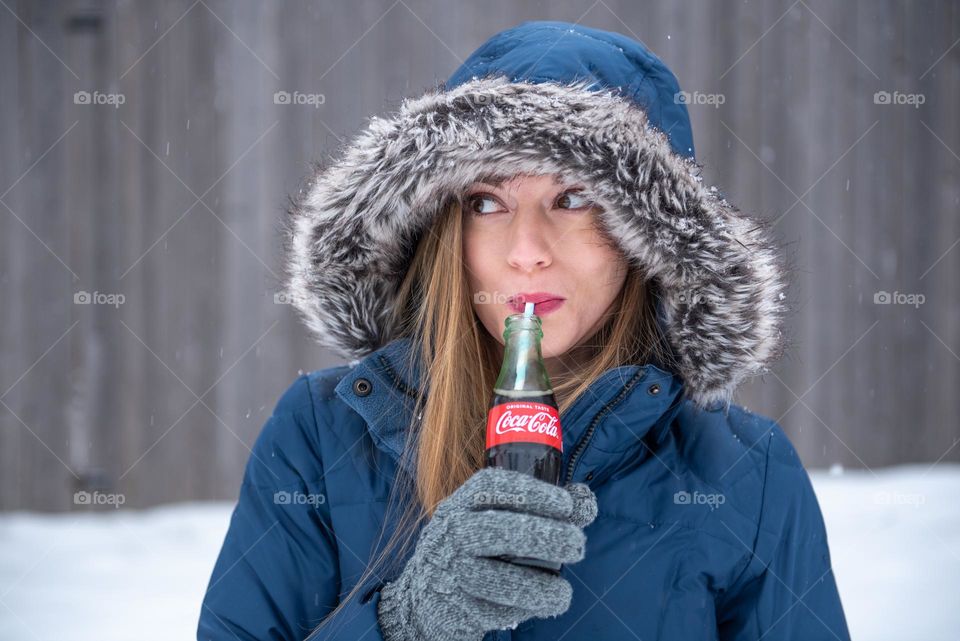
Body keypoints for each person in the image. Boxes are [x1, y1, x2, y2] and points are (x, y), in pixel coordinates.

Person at [197, 20, 850, 641]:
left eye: (572, 198)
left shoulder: (742, 471)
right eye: (487, 202)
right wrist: (405, 621)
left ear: (646, 235)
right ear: (443, 226)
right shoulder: (321, 435)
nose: (527, 250)